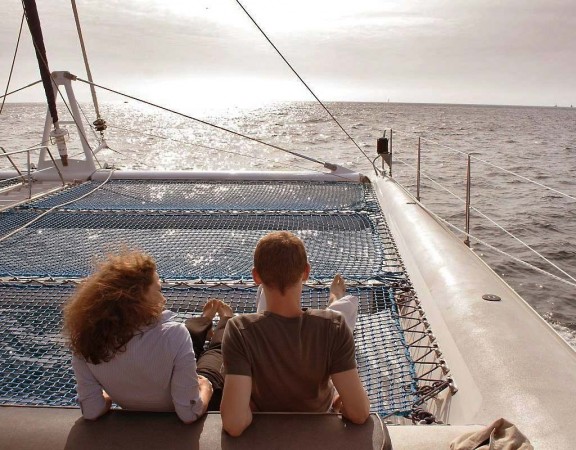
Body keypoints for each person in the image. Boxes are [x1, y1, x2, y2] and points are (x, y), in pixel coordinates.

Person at [220, 231, 370, 436]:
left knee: (265, 310)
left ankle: (334, 299)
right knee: (338, 315)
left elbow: (234, 424)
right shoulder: (334, 326)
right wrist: (338, 405)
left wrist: (249, 405)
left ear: (256, 276)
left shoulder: (239, 330)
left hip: (266, 434)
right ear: (306, 272)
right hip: (319, 426)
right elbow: (359, 413)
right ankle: (335, 298)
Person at [63, 251, 230, 422]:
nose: (163, 299)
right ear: (139, 298)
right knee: (215, 354)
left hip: (155, 370)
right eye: (158, 290)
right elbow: (189, 412)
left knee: (185, 336)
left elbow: (92, 410)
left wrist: (112, 390)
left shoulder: (85, 341)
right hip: (175, 412)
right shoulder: (173, 334)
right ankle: (226, 322)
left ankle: (205, 320)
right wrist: (206, 386)